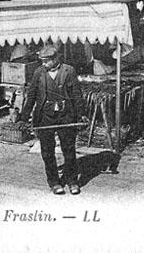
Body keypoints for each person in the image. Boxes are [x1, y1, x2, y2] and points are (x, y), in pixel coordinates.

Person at [18, 44, 88, 195]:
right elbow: (31, 96)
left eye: (46, 61)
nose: (43, 64)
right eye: (42, 61)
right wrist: (24, 118)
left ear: (56, 58)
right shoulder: (39, 73)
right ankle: (54, 182)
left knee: (68, 150)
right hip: (45, 116)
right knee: (47, 151)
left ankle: (72, 181)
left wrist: (81, 114)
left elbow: (77, 94)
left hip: (66, 116)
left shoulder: (69, 71)